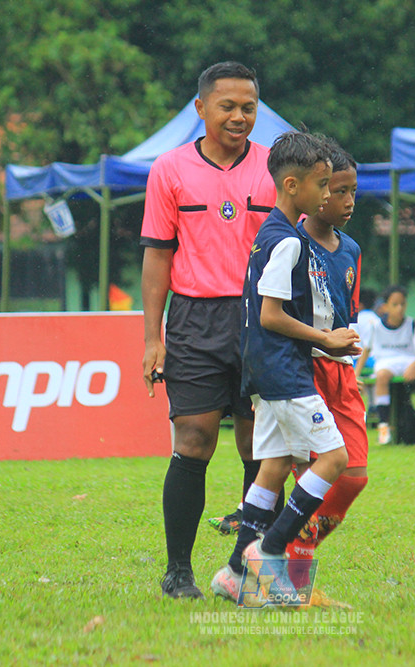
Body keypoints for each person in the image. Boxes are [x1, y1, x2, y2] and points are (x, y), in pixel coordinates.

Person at [139, 61, 277, 599]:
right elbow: (157, 256)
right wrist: (154, 337)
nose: (240, 117)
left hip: (263, 318)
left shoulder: (277, 167)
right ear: (201, 109)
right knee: (193, 440)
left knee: (258, 445)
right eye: (228, 106)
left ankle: (245, 567)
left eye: (249, 107)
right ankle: (178, 572)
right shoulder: (169, 169)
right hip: (195, 321)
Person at [209, 131, 359, 604]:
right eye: (322, 185)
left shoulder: (269, 233)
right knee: (334, 460)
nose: (327, 195)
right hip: (283, 371)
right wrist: (327, 340)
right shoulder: (289, 241)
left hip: (261, 369)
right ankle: (269, 549)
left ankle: (234, 573)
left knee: (271, 469)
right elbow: (272, 314)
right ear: (293, 186)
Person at [281, 139, 367, 606]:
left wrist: (349, 337)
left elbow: (344, 313)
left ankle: (296, 547)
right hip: (301, 370)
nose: (348, 201)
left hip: (341, 373)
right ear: (315, 190)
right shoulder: (289, 241)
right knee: (306, 472)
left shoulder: (350, 248)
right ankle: (290, 574)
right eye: (339, 191)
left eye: (354, 191)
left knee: (353, 475)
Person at [353, 285, 415, 445]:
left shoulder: (413, 324)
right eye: (395, 304)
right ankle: (384, 426)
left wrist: (414, 366)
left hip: (410, 361)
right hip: (386, 362)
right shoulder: (375, 326)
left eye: (402, 304)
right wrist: (355, 374)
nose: (400, 308)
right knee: (382, 376)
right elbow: (366, 351)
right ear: (385, 307)